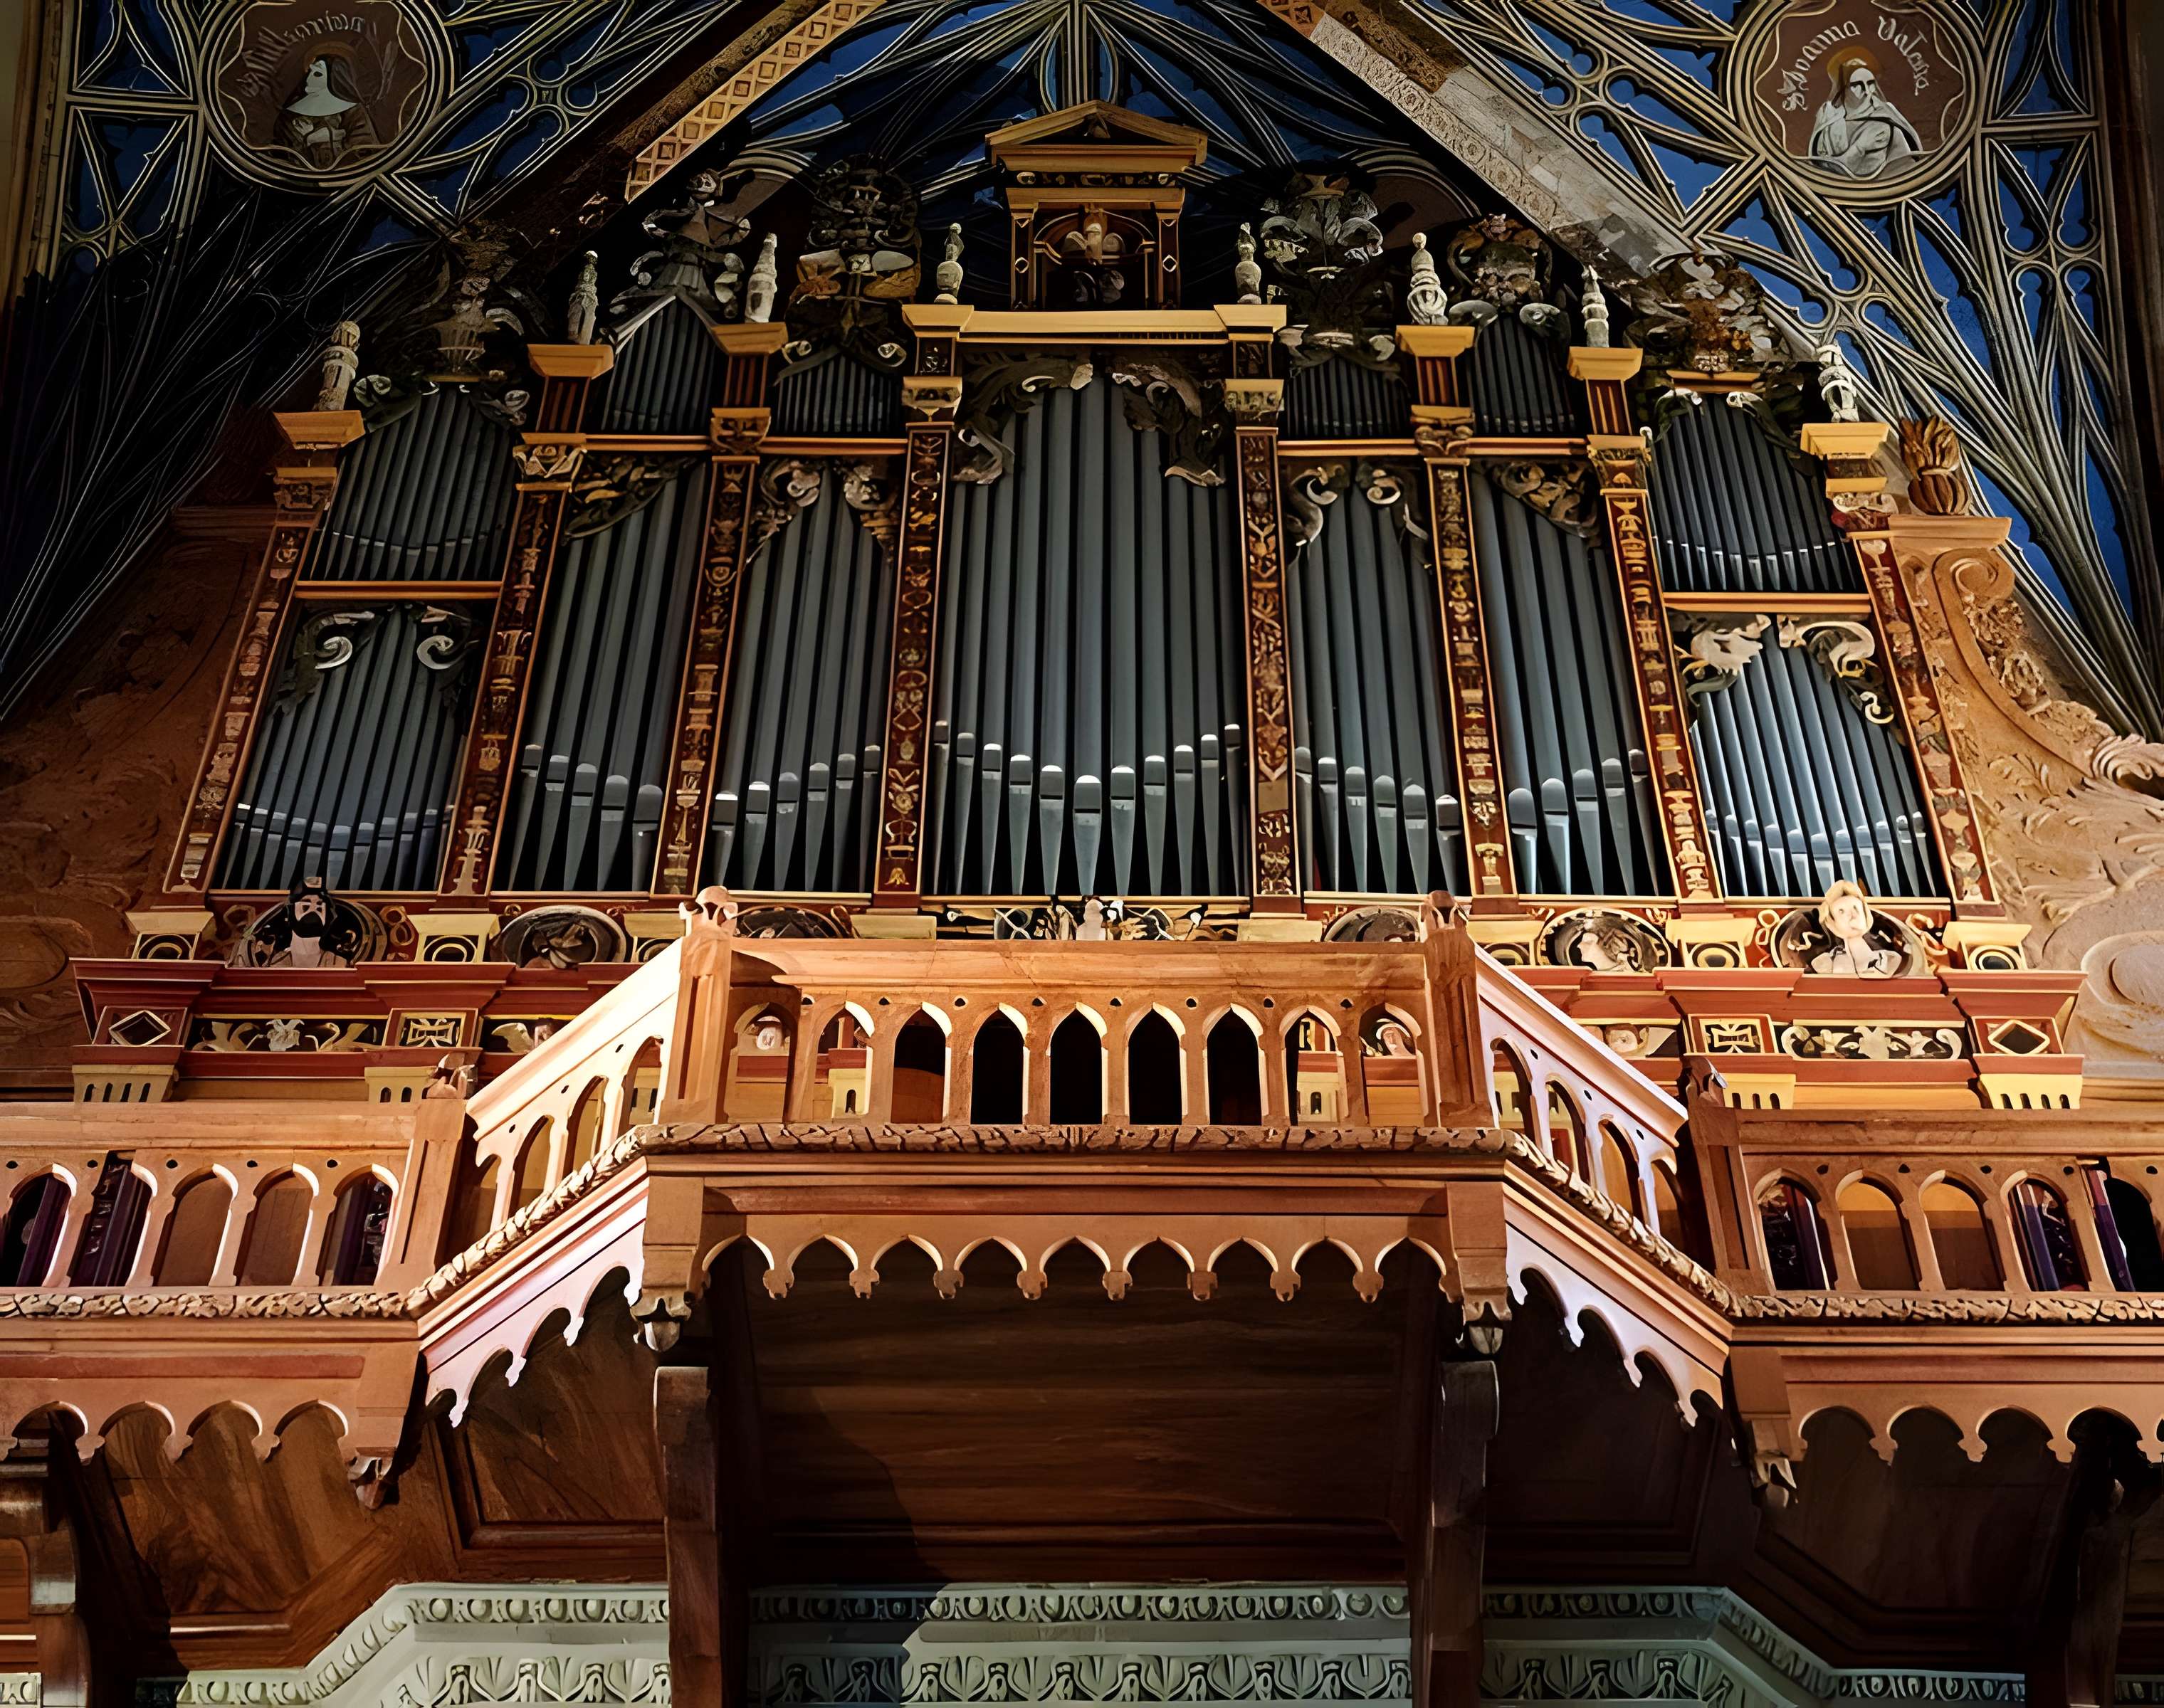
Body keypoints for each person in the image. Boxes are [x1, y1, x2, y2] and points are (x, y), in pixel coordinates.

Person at [1807, 50, 1922, 180]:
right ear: (1843, 87)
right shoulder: (1828, 115)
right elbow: (1822, 167)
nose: (1867, 91)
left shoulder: (1887, 115)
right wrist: (1861, 146)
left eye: (1871, 83)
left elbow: (1904, 165)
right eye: (1857, 85)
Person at [280, 53, 376, 169]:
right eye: (310, 72)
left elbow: (365, 157)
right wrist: (310, 139)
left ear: (336, 78)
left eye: (317, 74)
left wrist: (324, 138)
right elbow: (286, 160)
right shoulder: (291, 114)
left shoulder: (354, 111)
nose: (309, 79)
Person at [1807, 880, 1901, 977]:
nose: (1852, 914)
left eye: (1856, 908)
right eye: (1841, 911)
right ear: (1833, 924)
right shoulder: (1824, 963)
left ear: (1866, 914)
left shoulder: (1890, 959)